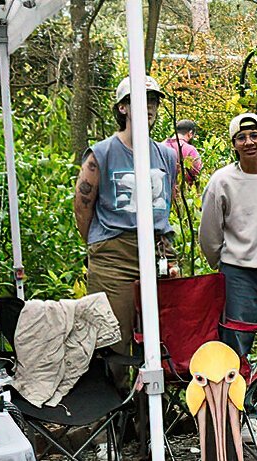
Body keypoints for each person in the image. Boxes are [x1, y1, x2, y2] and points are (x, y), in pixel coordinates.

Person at [73, 76, 179, 355]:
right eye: (141, 100)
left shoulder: (167, 156)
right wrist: (98, 244)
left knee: (164, 339)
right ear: (123, 107)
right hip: (114, 254)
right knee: (111, 340)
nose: (150, 107)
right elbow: (83, 204)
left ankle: (155, 400)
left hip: (158, 252)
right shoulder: (102, 153)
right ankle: (118, 398)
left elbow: (168, 200)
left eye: (154, 100)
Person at [199, 112, 257, 356]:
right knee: (235, 344)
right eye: (241, 138)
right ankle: (237, 392)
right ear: (234, 144)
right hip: (238, 273)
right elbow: (209, 232)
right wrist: (222, 263)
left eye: (255, 136)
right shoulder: (222, 181)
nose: (249, 142)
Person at [163, 118, 203, 185]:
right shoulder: (190, 150)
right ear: (190, 133)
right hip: (182, 190)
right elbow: (197, 173)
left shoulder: (161, 145)